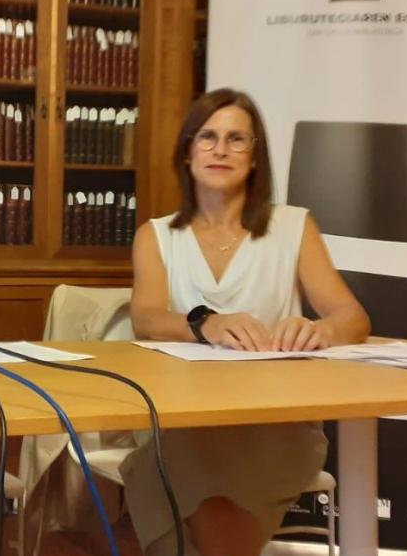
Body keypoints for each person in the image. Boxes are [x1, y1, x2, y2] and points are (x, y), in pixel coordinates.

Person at [124, 87, 370, 556]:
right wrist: (204, 324)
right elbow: (147, 318)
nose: (220, 149)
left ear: (255, 157)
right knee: (192, 491)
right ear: (187, 153)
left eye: (237, 139)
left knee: (206, 513)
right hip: (184, 422)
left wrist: (321, 330)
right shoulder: (156, 235)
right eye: (207, 137)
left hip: (274, 424)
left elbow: (353, 317)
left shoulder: (294, 227)